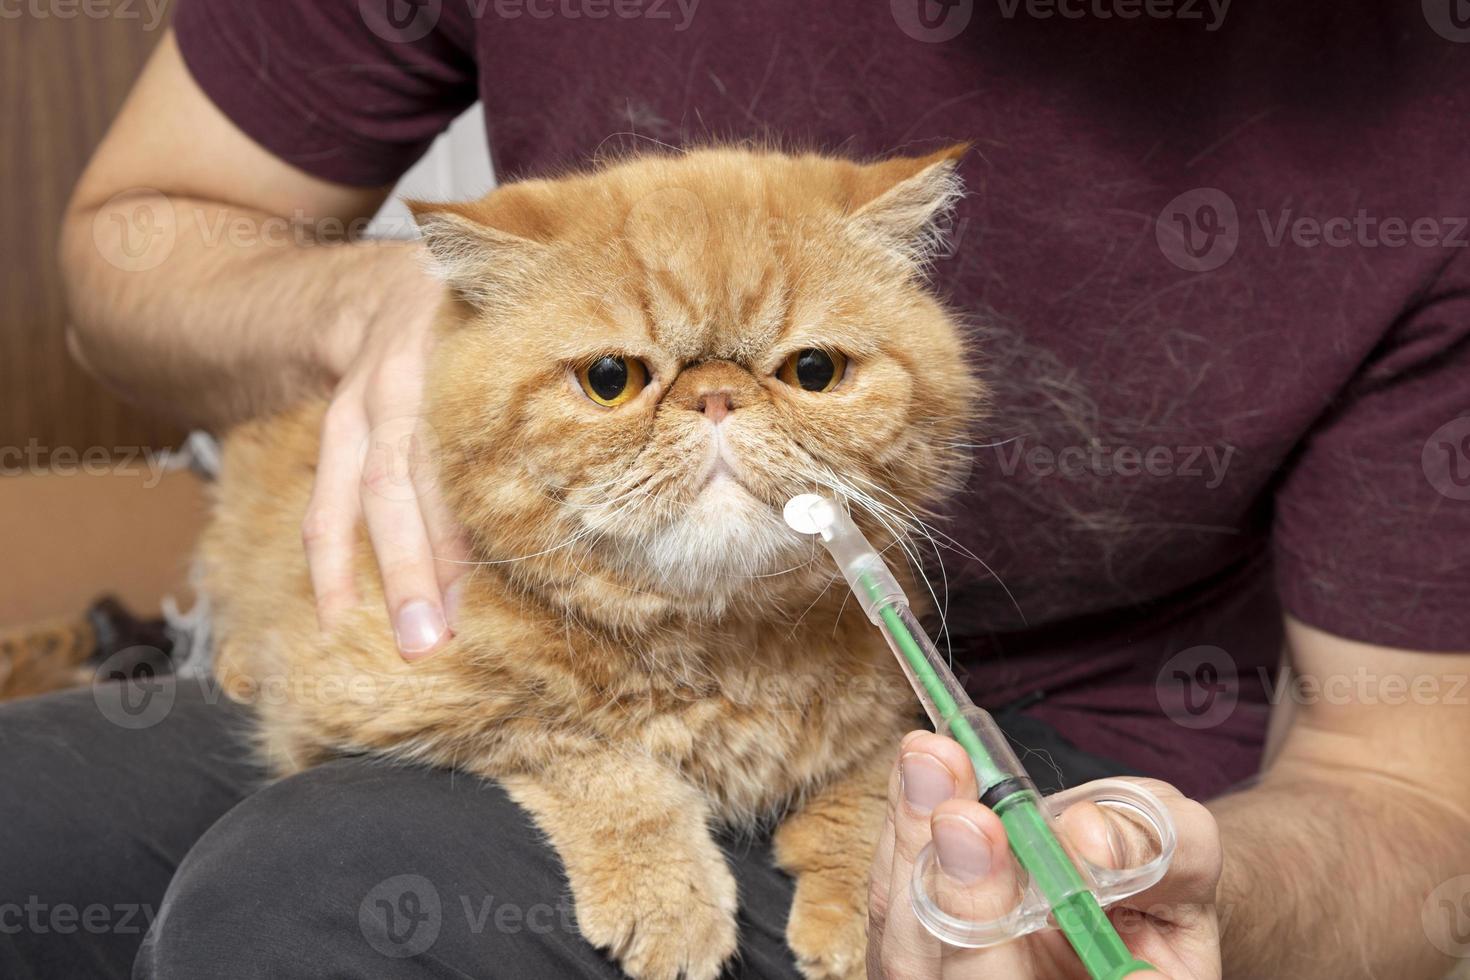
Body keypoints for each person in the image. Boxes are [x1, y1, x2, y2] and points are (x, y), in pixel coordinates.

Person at [4, 0, 1467, 977]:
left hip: (1029, 747)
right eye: (633, 379)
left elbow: (1410, 806)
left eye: (808, 373)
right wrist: (359, 304)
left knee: (314, 897)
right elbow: (133, 241)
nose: (715, 412)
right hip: (527, 618)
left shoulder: (1428, 115)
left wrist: (1201, 885)